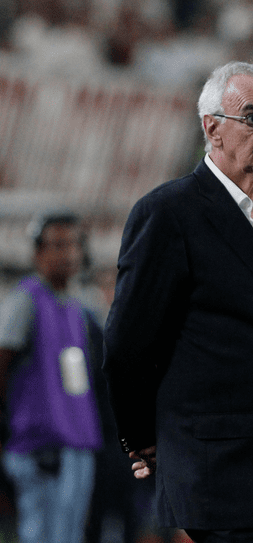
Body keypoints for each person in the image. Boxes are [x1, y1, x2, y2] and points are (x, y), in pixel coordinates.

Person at [102, 61, 253, 543]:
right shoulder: (168, 213)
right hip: (219, 473)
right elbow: (127, 346)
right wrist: (140, 440)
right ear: (212, 128)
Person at [0, 211, 103, 543]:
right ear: (37, 253)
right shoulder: (24, 302)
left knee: (69, 535)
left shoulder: (81, 308)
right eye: (58, 246)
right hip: (38, 446)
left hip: (76, 443)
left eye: (74, 245)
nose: (68, 254)